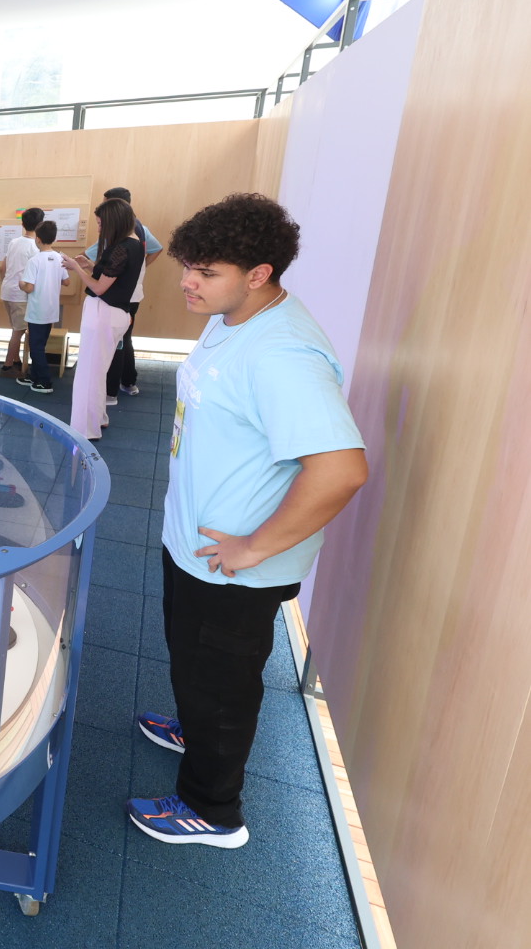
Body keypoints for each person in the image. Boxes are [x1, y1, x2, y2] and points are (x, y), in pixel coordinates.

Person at [128, 193, 367, 850]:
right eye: (188, 266)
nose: (187, 282)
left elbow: (342, 470)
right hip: (196, 546)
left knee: (222, 688)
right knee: (195, 667)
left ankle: (213, 810)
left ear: (259, 274)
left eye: (206, 272)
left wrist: (253, 548)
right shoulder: (232, 315)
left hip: (231, 569)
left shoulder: (282, 354)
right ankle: (194, 728)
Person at [63, 198, 144, 441]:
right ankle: (97, 419)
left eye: (101, 223)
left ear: (113, 221)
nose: (99, 228)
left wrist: (77, 268)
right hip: (114, 314)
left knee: (88, 374)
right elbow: (113, 276)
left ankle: (85, 430)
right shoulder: (135, 243)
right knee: (98, 371)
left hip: (104, 313)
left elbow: (99, 288)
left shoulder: (121, 248)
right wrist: (90, 265)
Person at [87, 185, 163, 401]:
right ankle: (128, 381)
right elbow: (157, 248)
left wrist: (76, 265)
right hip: (133, 295)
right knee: (124, 338)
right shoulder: (140, 230)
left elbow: (98, 283)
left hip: (117, 297)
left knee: (115, 342)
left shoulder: (119, 239)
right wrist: (137, 269)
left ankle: (110, 391)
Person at [17, 221, 68, 395]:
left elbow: (29, 287)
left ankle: (44, 382)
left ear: (37, 239)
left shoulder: (35, 260)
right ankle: (35, 376)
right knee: (40, 345)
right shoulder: (59, 258)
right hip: (51, 310)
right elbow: (67, 281)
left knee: (36, 347)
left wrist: (21, 284)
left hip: (37, 310)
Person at [0, 207, 43, 377]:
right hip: (21, 294)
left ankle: (16, 361)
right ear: (40, 224)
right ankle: (7, 366)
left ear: (23, 224)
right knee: (18, 332)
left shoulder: (14, 242)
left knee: (15, 329)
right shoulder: (35, 247)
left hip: (7, 291)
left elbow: (3, 266)